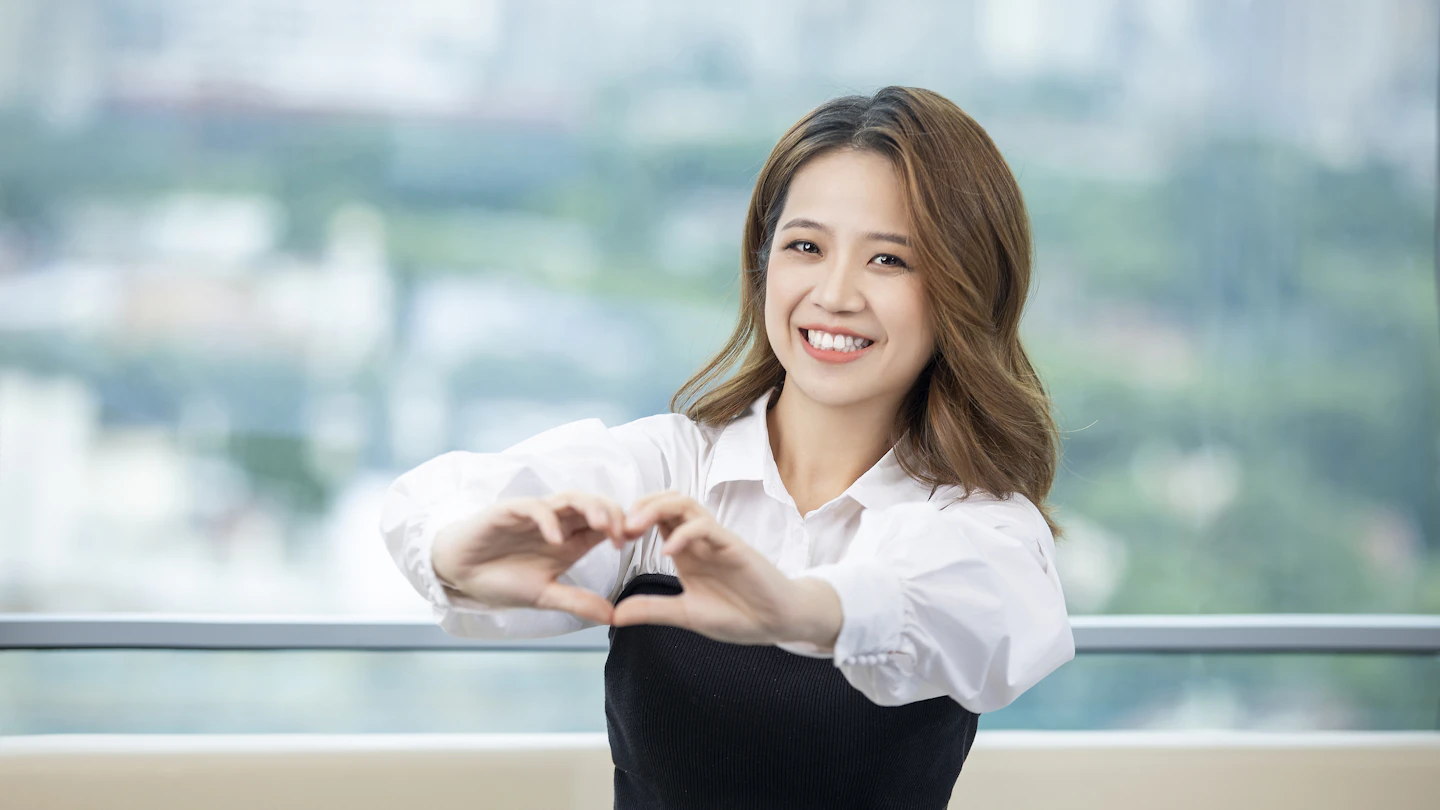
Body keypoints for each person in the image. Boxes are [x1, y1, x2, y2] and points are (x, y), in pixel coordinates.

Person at [379, 85, 1075, 809]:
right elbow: (440, 505)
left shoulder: (978, 526)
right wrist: (453, 551)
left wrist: (801, 608)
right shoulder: (671, 469)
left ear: (967, 289)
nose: (835, 294)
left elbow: (983, 613)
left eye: (890, 260)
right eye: (806, 247)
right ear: (763, 261)